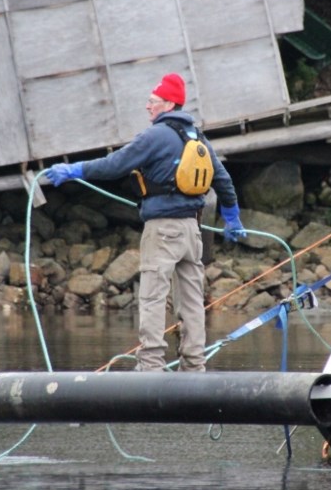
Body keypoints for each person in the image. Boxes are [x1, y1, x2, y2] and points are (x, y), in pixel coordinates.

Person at [44, 73, 245, 371]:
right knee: (191, 301)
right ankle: (194, 365)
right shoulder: (197, 137)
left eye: (151, 101)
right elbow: (223, 180)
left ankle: (150, 365)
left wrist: (74, 169)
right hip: (193, 231)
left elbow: (115, 165)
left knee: (152, 296)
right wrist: (232, 218)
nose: (147, 106)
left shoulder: (155, 135)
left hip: (163, 229)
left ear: (168, 104)